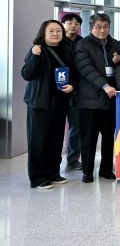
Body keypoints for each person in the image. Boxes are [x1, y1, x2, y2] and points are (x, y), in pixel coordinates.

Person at [22, 20, 76, 189]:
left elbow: (74, 73)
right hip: (40, 103)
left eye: (58, 30)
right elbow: (27, 75)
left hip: (60, 102)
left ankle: (53, 173)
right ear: (43, 34)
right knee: (38, 141)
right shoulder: (37, 50)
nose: (55, 34)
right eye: (51, 31)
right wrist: (35, 56)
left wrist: (73, 86)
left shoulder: (67, 50)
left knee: (56, 140)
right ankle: (38, 178)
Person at [74, 13, 120, 183]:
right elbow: (86, 68)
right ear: (91, 27)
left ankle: (106, 169)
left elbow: (119, 68)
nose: (102, 30)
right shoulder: (82, 44)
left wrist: (117, 61)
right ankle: (87, 171)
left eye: (106, 27)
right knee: (89, 138)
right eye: (98, 27)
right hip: (90, 100)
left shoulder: (115, 44)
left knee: (108, 137)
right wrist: (104, 85)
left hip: (111, 100)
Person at [60, 12, 83, 171]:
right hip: (58, 91)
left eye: (76, 23)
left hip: (76, 91)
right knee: (56, 128)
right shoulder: (57, 42)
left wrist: (75, 85)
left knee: (76, 128)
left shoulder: (83, 43)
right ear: (63, 25)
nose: (73, 26)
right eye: (69, 23)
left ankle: (73, 159)